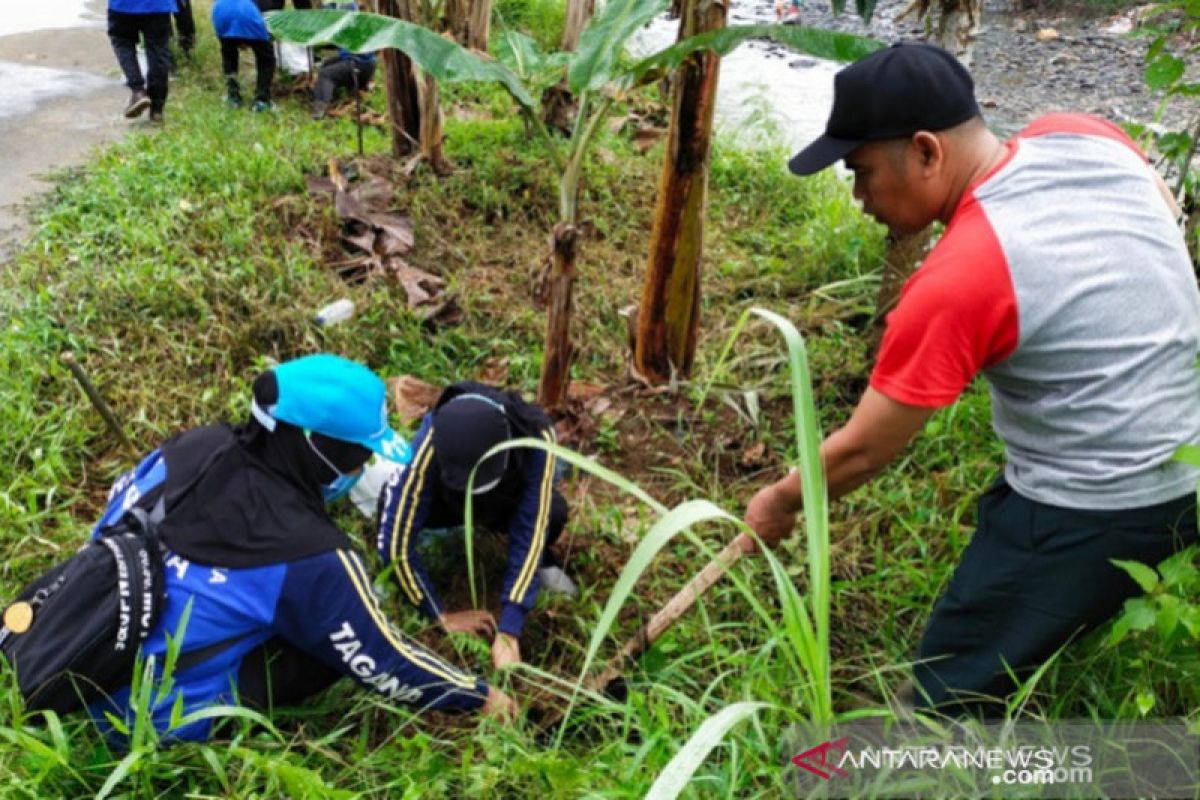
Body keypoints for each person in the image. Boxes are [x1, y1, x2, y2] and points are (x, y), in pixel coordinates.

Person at [741, 42, 1200, 716]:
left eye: (861, 171)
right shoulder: (1080, 133)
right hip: (1190, 447)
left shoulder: (964, 272)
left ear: (927, 152)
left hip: (1103, 497)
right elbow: (1164, 209)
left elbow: (867, 448)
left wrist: (779, 505)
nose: (859, 196)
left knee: (942, 701)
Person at [86, 355, 515, 743]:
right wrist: (477, 695)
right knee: (329, 647)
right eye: (359, 455)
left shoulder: (190, 448)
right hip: (142, 714)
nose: (363, 467)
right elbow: (383, 660)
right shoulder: (307, 552)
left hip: (88, 649)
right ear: (317, 447)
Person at [376, 382, 575, 671]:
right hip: (448, 502)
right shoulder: (434, 434)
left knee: (553, 514)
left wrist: (510, 628)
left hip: (505, 502)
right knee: (390, 504)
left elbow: (532, 525)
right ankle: (423, 559)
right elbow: (394, 538)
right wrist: (439, 615)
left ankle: (540, 567)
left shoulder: (535, 434)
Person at [107, 0, 176, 122]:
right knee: (158, 50)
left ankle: (138, 90)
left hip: (123, 5)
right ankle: (157, 109)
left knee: (122, 42)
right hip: (158, 5)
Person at [310, 1, 375, 120]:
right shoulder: (346, 9)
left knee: (326, 75)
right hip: (364, 63)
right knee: (326, 65)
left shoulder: (344, 7)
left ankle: (319, 110)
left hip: (359, 65)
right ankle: (331, 94)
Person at [212, 0, 276, 112]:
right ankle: (262, 100)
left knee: (229, 55)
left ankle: (233, 97)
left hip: (221, 11)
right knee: (266, 58)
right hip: (246, 12)